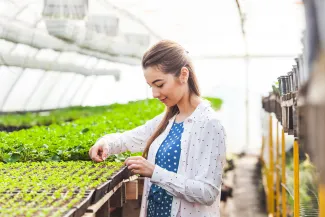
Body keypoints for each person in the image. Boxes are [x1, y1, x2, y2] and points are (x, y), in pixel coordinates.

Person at [89, 40, 226, 217]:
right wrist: (105, 143)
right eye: (151, 86)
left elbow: (207, 192)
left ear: (183, 75)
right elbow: (127, 139)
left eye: (159, 84)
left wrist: (154, 172)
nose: (154, 94)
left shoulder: (209, 124)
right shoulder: (167, 121)